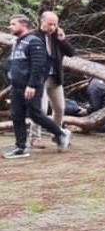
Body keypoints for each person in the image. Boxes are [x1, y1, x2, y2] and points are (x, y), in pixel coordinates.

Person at [4, 14, 72, 159]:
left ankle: (60, 133)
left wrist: (32, 85)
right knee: (17, 115)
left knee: (38, 113)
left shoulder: (34, 41)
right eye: (50, 24)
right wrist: (11, 75)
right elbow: (13, 62)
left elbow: (38, 65)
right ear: (42, 22)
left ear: (23, 25)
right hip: (18, 85)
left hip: (37, 83)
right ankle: (21, 147)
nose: (10, 27)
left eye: (13, 24)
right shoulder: (17, 41)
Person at [29, 10, 75, 148]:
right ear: (41, 21)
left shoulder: (57, 37)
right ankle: (34, 138)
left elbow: (71, 53)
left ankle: (57, 134)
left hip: (55, 77)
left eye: (55, 25)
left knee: (60, 108)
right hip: (39, 78)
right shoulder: (33, 36)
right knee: (41, 110)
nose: (52, 27)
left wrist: (63, 40)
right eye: (50, 24)